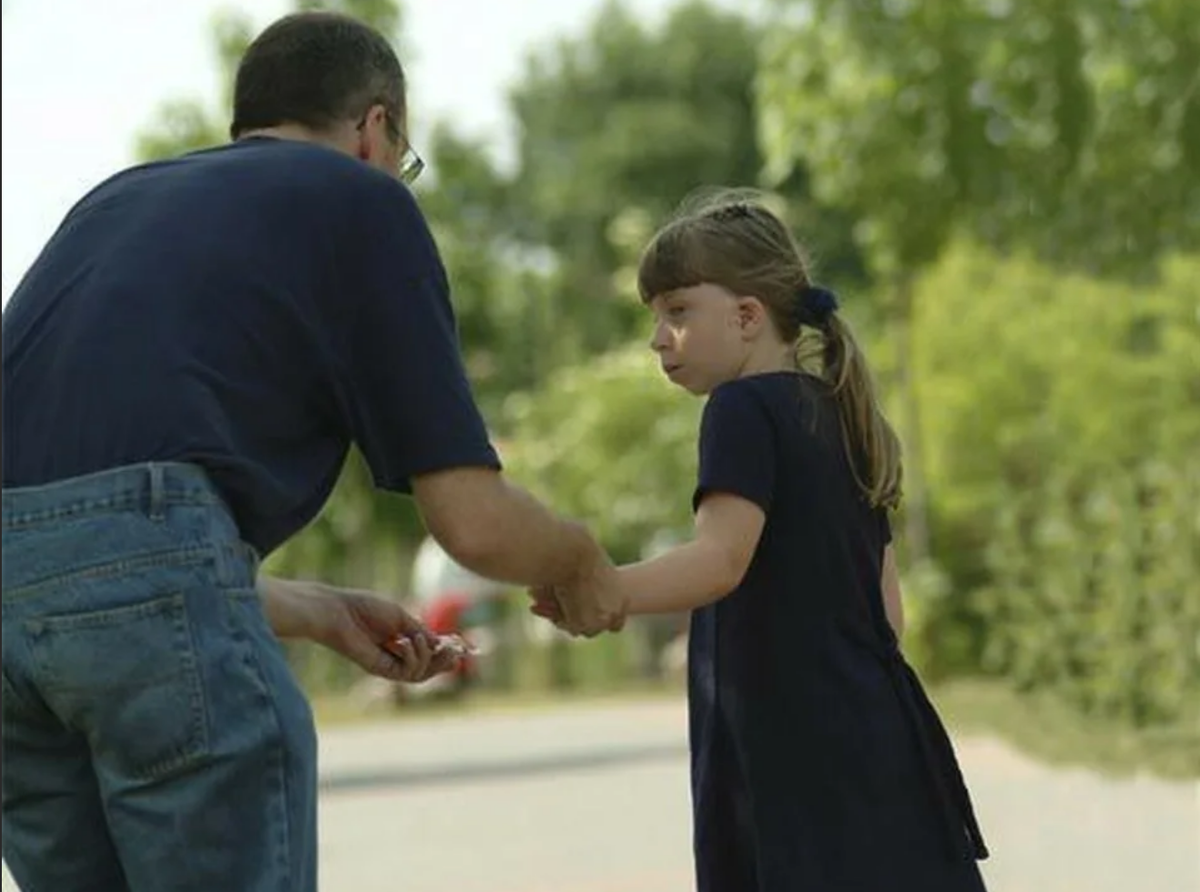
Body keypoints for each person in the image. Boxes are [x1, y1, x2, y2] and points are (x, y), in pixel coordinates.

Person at [1, 11, 625, 892]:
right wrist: (580, 555)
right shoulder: (360, 200)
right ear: (375, 129)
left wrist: (312, 608)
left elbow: (81, 542)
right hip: (143, 613)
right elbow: (474, 523)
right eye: (404, 154)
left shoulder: (112, 201)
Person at [533, 193, 989, 891]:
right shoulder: (841, 410)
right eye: (654, 317)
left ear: (746, 316)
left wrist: (605, 588)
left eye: (677, 312)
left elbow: (719, 560)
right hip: (882, 744)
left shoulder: (742, 409)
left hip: (793, 764)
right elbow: (887, 613)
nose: (659, 337)